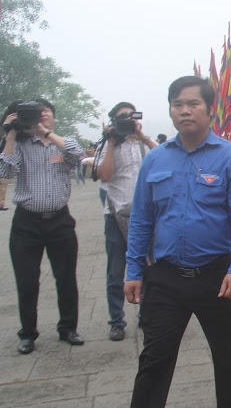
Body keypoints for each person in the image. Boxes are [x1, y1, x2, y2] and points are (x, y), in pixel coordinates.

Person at [124, 76, 231, 408]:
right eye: (177, 104)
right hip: (166, 277)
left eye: (192, 104)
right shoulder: (155, 160)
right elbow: (141, 219)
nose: (184, 110)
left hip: (217, 274)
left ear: (210, 110)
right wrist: (133, 269)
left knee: (227, 348)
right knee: (155, 356)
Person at [0, 99, 85, 354]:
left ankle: (68, 328)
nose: (41, 116)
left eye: (45, 111)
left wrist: (45, 132)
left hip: (60, 221)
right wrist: (11, 132)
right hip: (26, 223)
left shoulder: (61, 143)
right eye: (35, 114)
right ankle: (28, 333)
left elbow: (78, 154)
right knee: (27, 282)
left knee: (66, 278)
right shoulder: (20, 146)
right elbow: (4, 171)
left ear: (52, 117)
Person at [94, 101, 157, 341]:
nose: (127, 121)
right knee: (116, 271)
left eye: (130, 117)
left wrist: (142, 136)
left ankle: (147, 313)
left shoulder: (143, 144)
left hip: (144, 216)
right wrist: (111, 141)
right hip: (115, 215)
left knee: (149, 267)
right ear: (113, 121)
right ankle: (116, 321)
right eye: (121, 118)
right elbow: (105, 175)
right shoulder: (107, 144)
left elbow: (166, 157)